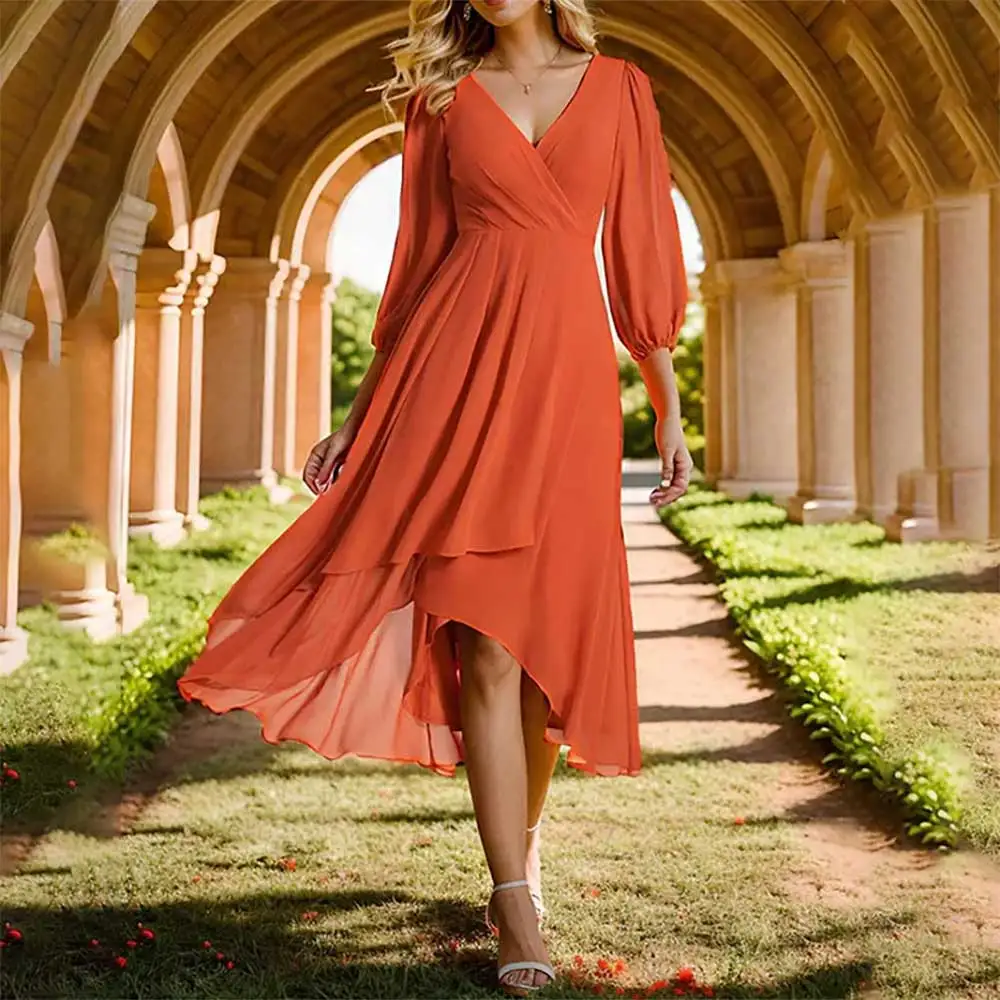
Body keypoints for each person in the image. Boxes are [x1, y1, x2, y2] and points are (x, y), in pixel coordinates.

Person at [178, 0, 691, 993]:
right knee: (487, 642)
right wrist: (362, 411)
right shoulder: (441, 97)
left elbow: (637, 254)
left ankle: (521, 852)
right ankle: (512, 900)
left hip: (568, 390)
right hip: (452, 375)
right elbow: (414, 269)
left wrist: (665, 408)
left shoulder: (623, 91)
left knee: (543, 653)